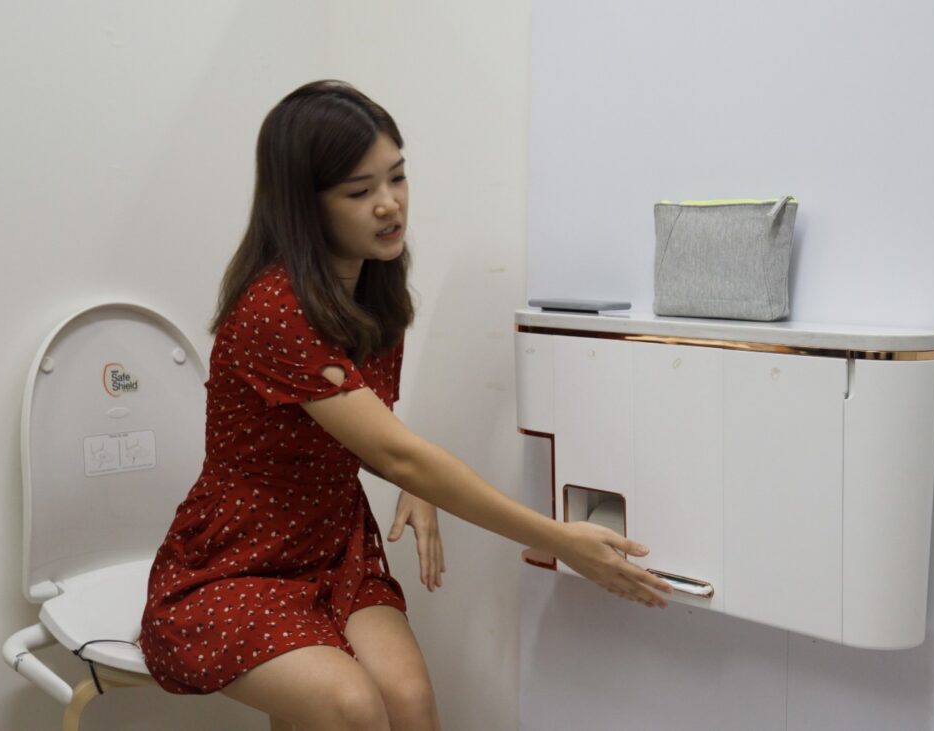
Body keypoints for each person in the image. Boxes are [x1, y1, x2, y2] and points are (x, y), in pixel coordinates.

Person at [139, 79, 672, 731]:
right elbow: (394, 448)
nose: (390, 206)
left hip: (333, 542)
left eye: (397, 177)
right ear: (305, 207)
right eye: (360, 192)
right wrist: (559, 539)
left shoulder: (371, 286)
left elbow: (368, 429)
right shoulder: (274, 309)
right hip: (238, 560)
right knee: (351, 704)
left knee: (410, 704)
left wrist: (409, 476)